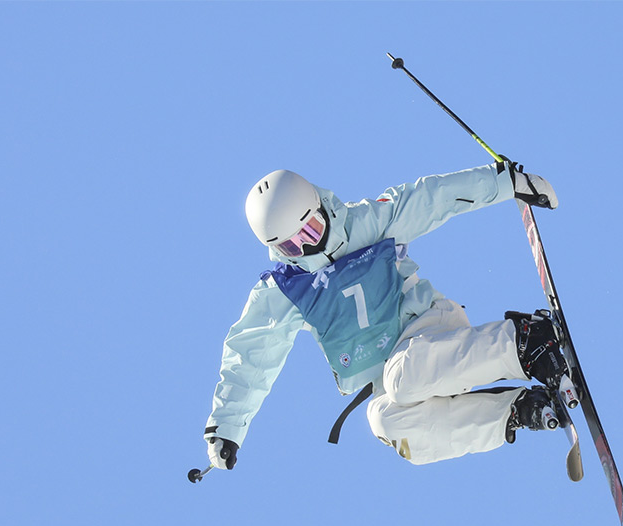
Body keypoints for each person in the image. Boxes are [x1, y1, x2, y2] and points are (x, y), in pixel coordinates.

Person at [203, 161, 569, 472]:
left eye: (311, 230)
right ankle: (518, 411)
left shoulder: (366, 223)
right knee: (386, 421)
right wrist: (227, 428)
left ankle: (525, 342)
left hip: (428, 330)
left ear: (320, 207)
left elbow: (433, 198)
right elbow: (250, 357)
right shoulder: (285, 288)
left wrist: (506, 183)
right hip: (391, 376)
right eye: (291, 246)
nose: (308, 247)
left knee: (403, 377)